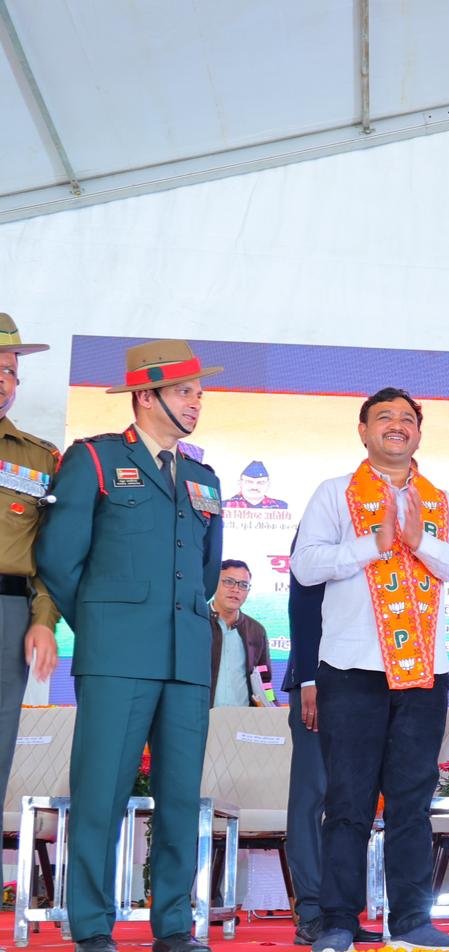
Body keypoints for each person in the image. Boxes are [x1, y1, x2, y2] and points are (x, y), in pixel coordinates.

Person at [37, 339, 225, 952]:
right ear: (146, 396)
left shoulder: (202, 477)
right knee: (101, 794)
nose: (196, 402)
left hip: (185, 660)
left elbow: (206, 572)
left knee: (180, 800)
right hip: (117, 660)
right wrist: (102, 626)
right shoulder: (94, 459)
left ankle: (173, 925)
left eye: (199, 392)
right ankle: (92, 926)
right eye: (183, 392)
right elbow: (59, 559)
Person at [292, 387, 449, 952]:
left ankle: (413, 921)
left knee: (411, 803)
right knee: (347, 803)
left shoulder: (440, 502)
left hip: (424, 676)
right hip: (352, 672)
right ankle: (338, 923)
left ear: (418, 433)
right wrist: (370, 545)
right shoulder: (334, 494)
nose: (397, 425)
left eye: (407, 418)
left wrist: (421, 543)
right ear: (363, 430)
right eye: (384, 417)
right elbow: (304, 566)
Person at [282, 540, 384, 947]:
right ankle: (311, 911)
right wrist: (309, 677)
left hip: (365, 682)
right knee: (312, 796)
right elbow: (303, 603)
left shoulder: (386, 525)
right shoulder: (324, 518)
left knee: (352, 801)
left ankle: (341, 912)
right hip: (319, 683)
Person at [0, 315, 60, 841]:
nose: (3, 380)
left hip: (8, 611)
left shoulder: (39, 459)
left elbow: (50, 553)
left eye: (10, 371)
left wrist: (42, 619)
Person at [208, 559, 272, 707]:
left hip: (243, 717)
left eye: (243, 585)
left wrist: (271, 704)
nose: (236, 589)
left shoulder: (256, 631)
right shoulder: (196, 622)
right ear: (213, 584)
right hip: (201, 715)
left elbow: (265, 681)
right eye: (229, 582)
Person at [224, 460, 288, 509]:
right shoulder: (224, 506)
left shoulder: (281, 507)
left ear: (268, 485)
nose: (254, 487)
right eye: (249, 482)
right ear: (240, 483)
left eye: (260, 483)